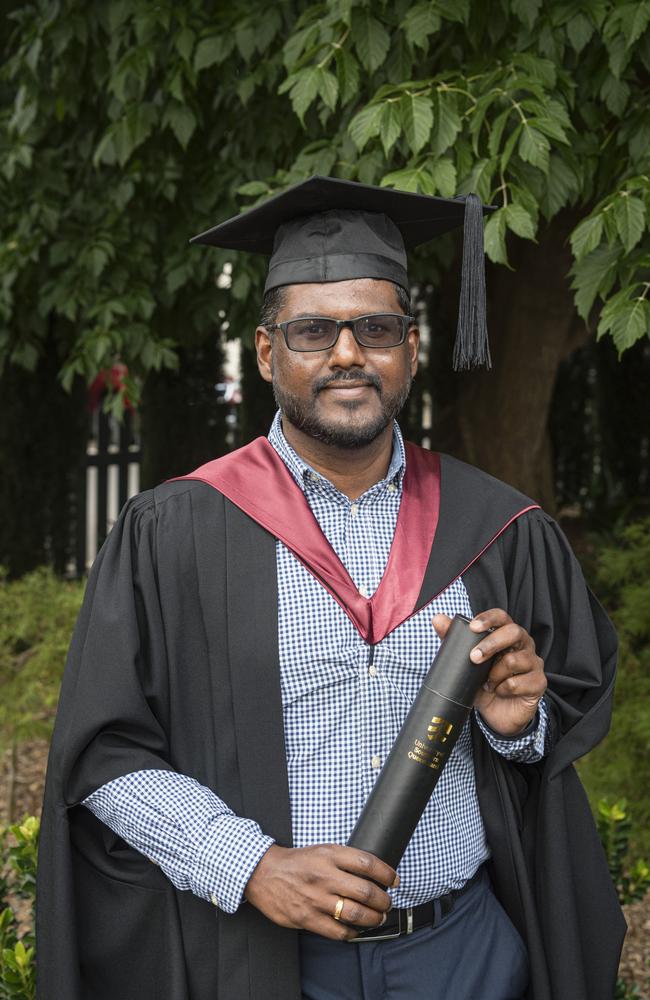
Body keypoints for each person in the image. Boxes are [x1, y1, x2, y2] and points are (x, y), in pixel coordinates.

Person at [36, 177, 625, 1000]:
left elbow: (557, 724)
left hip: (465, 955)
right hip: (259, 960)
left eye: (375, 328)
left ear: (409, 350)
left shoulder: (500, 527)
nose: (347, 353)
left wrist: (521, 722)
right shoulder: (175, 531)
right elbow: (106, 751)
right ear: (269, 350)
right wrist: (250, 866)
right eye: (314, 330)